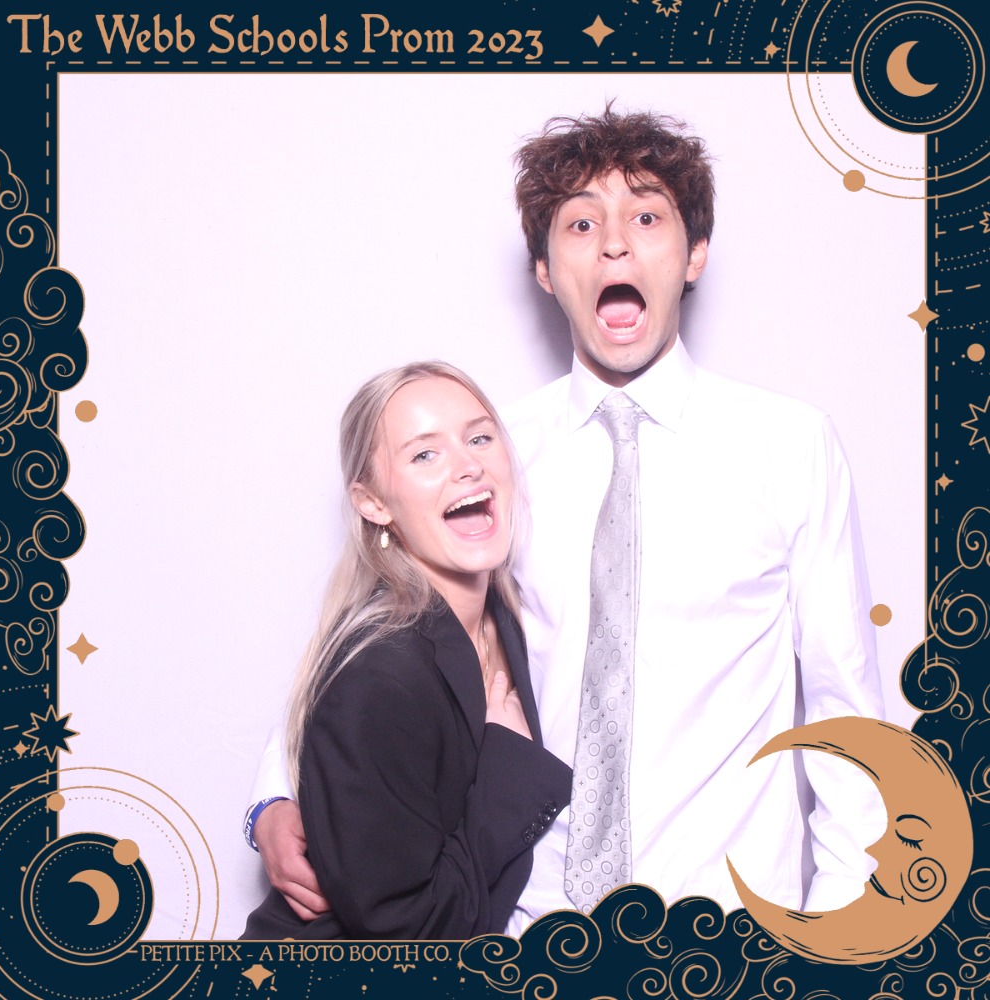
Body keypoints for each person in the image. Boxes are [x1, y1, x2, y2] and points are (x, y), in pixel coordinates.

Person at [244, 106, 885, 932]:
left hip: (724, 930)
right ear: (546, 270)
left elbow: (844, 708)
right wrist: (275, 796)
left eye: (647, 218)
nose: (614, 245)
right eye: (581, 224)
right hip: (522, 923)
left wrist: (838, 931)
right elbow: (383, 627)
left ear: (694, 253)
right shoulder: (491, 454)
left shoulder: (791, 445)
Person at [241, 361, 572, 939]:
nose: (468, 465)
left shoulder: (497, 612)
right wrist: (510, 771)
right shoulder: (381, 674)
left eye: (479, 439)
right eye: (424, 454)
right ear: (374, 503)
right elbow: (408, 938)